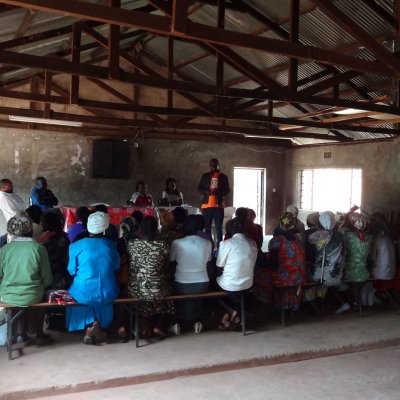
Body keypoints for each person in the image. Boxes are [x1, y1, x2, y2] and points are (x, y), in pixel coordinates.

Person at [66, 211, 120, 344]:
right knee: (99, 296)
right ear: (105, 227)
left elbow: (71, 270)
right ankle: (96, 325)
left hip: (82, 292)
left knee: (82, 293)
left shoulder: (76, 246)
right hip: (108, 292)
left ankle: (90, 328)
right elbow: (116, 267)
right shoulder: (111, 245)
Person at [0, 212, 53, 344]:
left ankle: (18, 334)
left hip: (8, 295)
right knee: (42, 294)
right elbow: (47, 279)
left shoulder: (5, 249)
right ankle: (39, 334)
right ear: (30, 229)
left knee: (16, 303)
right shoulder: (39, 248)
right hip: (33, 294)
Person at [127, 216, 175, 339]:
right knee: (167, 293)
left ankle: (142, 324)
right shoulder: (163, 246)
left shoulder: (132, 245)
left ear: (140, 230)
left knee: (141, 296)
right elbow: (166, 267)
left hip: (135, 290)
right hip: (157, 290)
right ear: (156, 230)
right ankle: (158, 325)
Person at [171, 215, 212, 333]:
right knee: (196, 299)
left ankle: (178, 322)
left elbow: (172, 261)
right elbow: (208, 261)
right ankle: (197, 321)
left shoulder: (177, 242)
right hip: (202, 283)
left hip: (181, 283)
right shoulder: (207, 243)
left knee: (179, 297)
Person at [215, 217, 257, 330]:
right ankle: (230, 319)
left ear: (230, 231)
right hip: (248, 284)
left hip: (230, 285)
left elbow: (219, 267)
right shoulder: (253, 243)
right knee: (233, 291)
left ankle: (231, 312)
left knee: (213, 289)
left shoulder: (226, 244)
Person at [268, 212, 306, 312]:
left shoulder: (277, 240)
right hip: (299, 277)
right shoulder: (300, 238)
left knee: (262, 275)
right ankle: (292, 306)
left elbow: (273, 264)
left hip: (285, 278)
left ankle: (278, 305)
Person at [198, 158, 230, 247]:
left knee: (218, 227)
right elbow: (199, 188)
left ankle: (220, 246)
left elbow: (227, 190)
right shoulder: (205, 176)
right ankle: (208, 245)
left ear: (219, 165)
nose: (214, 166)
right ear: (210, 165)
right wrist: (206, 192)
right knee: (207, 227)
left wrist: (218, 193)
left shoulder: (223, 177)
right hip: (206, 206)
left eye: (216, 164)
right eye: (212, 164)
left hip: (218, 206)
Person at [35, 212, 71, 290]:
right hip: (65, 278)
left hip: (49, 282)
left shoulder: (43, 240)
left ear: (44, 223)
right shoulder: (65, 237)